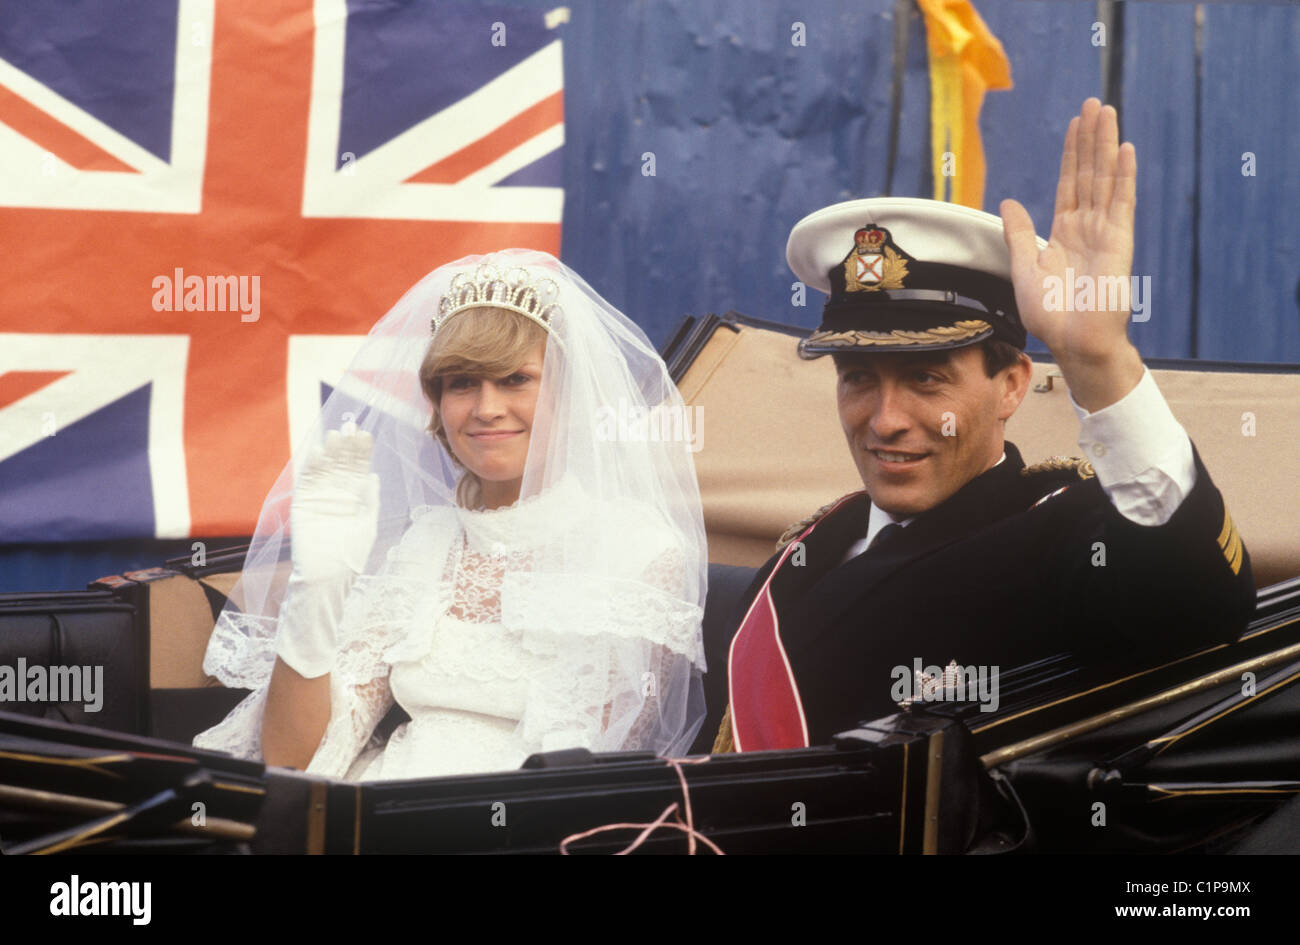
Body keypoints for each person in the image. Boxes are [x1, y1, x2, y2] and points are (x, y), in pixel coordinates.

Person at [714, 99, 1257, 752]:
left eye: (926, 379)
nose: (886, 420)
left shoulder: (1062, 528)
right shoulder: (814, 540)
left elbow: (1201, 596)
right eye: (858, 376)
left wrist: (1098, 361)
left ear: (1012, 385)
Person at [195, 249, 708, 779]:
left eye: (515, 379)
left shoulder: (638, 551)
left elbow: (585, 781)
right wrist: (318, 590)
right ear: (437, 403)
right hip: (373, 809)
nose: (486, 408)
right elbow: (292, 761)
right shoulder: (426, 542)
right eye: (462, 383)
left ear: (570, 396)